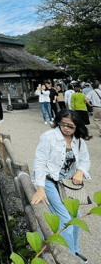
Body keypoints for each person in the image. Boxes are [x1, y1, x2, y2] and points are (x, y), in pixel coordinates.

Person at [31, 110, 90, 263]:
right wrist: (40, 189)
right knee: (65, 219)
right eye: (63, 124)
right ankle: (67, 257)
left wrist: (80, 172)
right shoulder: (48, 137)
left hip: (66, 183)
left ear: (77, 126)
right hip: (50, 182)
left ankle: (74, 251)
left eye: (70, 126)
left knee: (76, 217)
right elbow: (40, 162)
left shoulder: (78, 140)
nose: (66, 128)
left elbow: (85, 160)